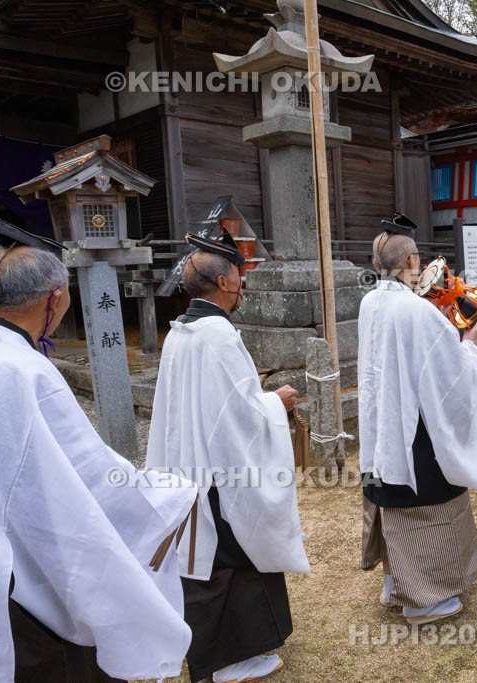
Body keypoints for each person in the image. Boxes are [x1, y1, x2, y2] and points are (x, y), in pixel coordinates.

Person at [0, 218, 197, 682]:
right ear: (56, 298)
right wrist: (166, 494)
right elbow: (88, 481)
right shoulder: (24, 373)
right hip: (22, 588)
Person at [146, 231, 310, 683]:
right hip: (220, 470)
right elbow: (239, 416)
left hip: (189, 460)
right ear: (222, 281)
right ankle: (229, 660)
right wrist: (277, 403)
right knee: (231, 558)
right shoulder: (218, 335)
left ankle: (211, 650)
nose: (243, 284)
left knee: (205, 560)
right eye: (239, 275)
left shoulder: (180, 331)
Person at [358, 213, 477, 625]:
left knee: (391, 501)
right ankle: (424, 599)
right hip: (415, 428)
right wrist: (469, 344)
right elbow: (448, 373)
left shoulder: (370, 302)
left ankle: (394, 581)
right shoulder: (415, 312)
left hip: (382, 421)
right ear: (413, 261)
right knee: (426, 506)